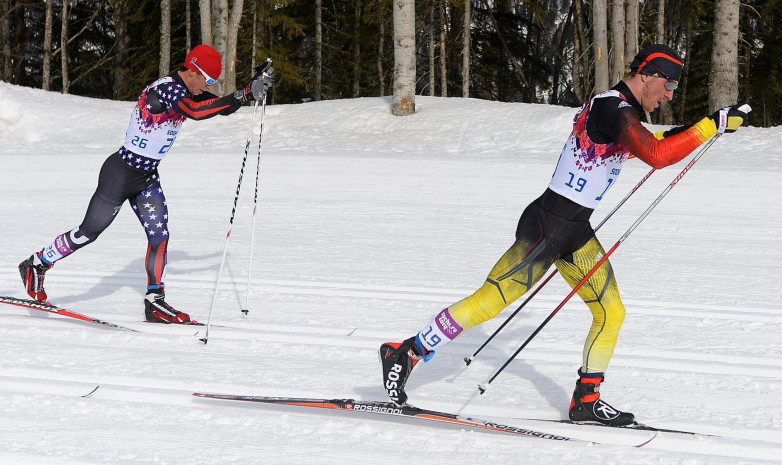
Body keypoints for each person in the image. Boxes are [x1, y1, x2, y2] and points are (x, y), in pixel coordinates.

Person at [379, 44, 749, 426]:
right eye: (668, 84)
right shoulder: (612, 107)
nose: (670, 94)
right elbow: (656, 155)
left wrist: (712, 122)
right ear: (647, 74)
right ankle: (406, 351)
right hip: (546, 225)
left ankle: (586, 400)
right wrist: (711, 126)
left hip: (575, 233)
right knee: (488, 302)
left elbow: (662, 142)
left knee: (611, 312)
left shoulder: (625, 111)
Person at [18, 44, 274, 324]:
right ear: (193, 71)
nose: (209, 86)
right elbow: (196, 112)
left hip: (147, 178)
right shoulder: (166, 89)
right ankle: (37, 263)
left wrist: (248, 91)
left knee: (159, 237)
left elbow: (217, 107)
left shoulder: (190, 89)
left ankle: (155, 301)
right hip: (120, 174)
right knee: (88, 232)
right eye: (209, 80)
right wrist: (241, 95)